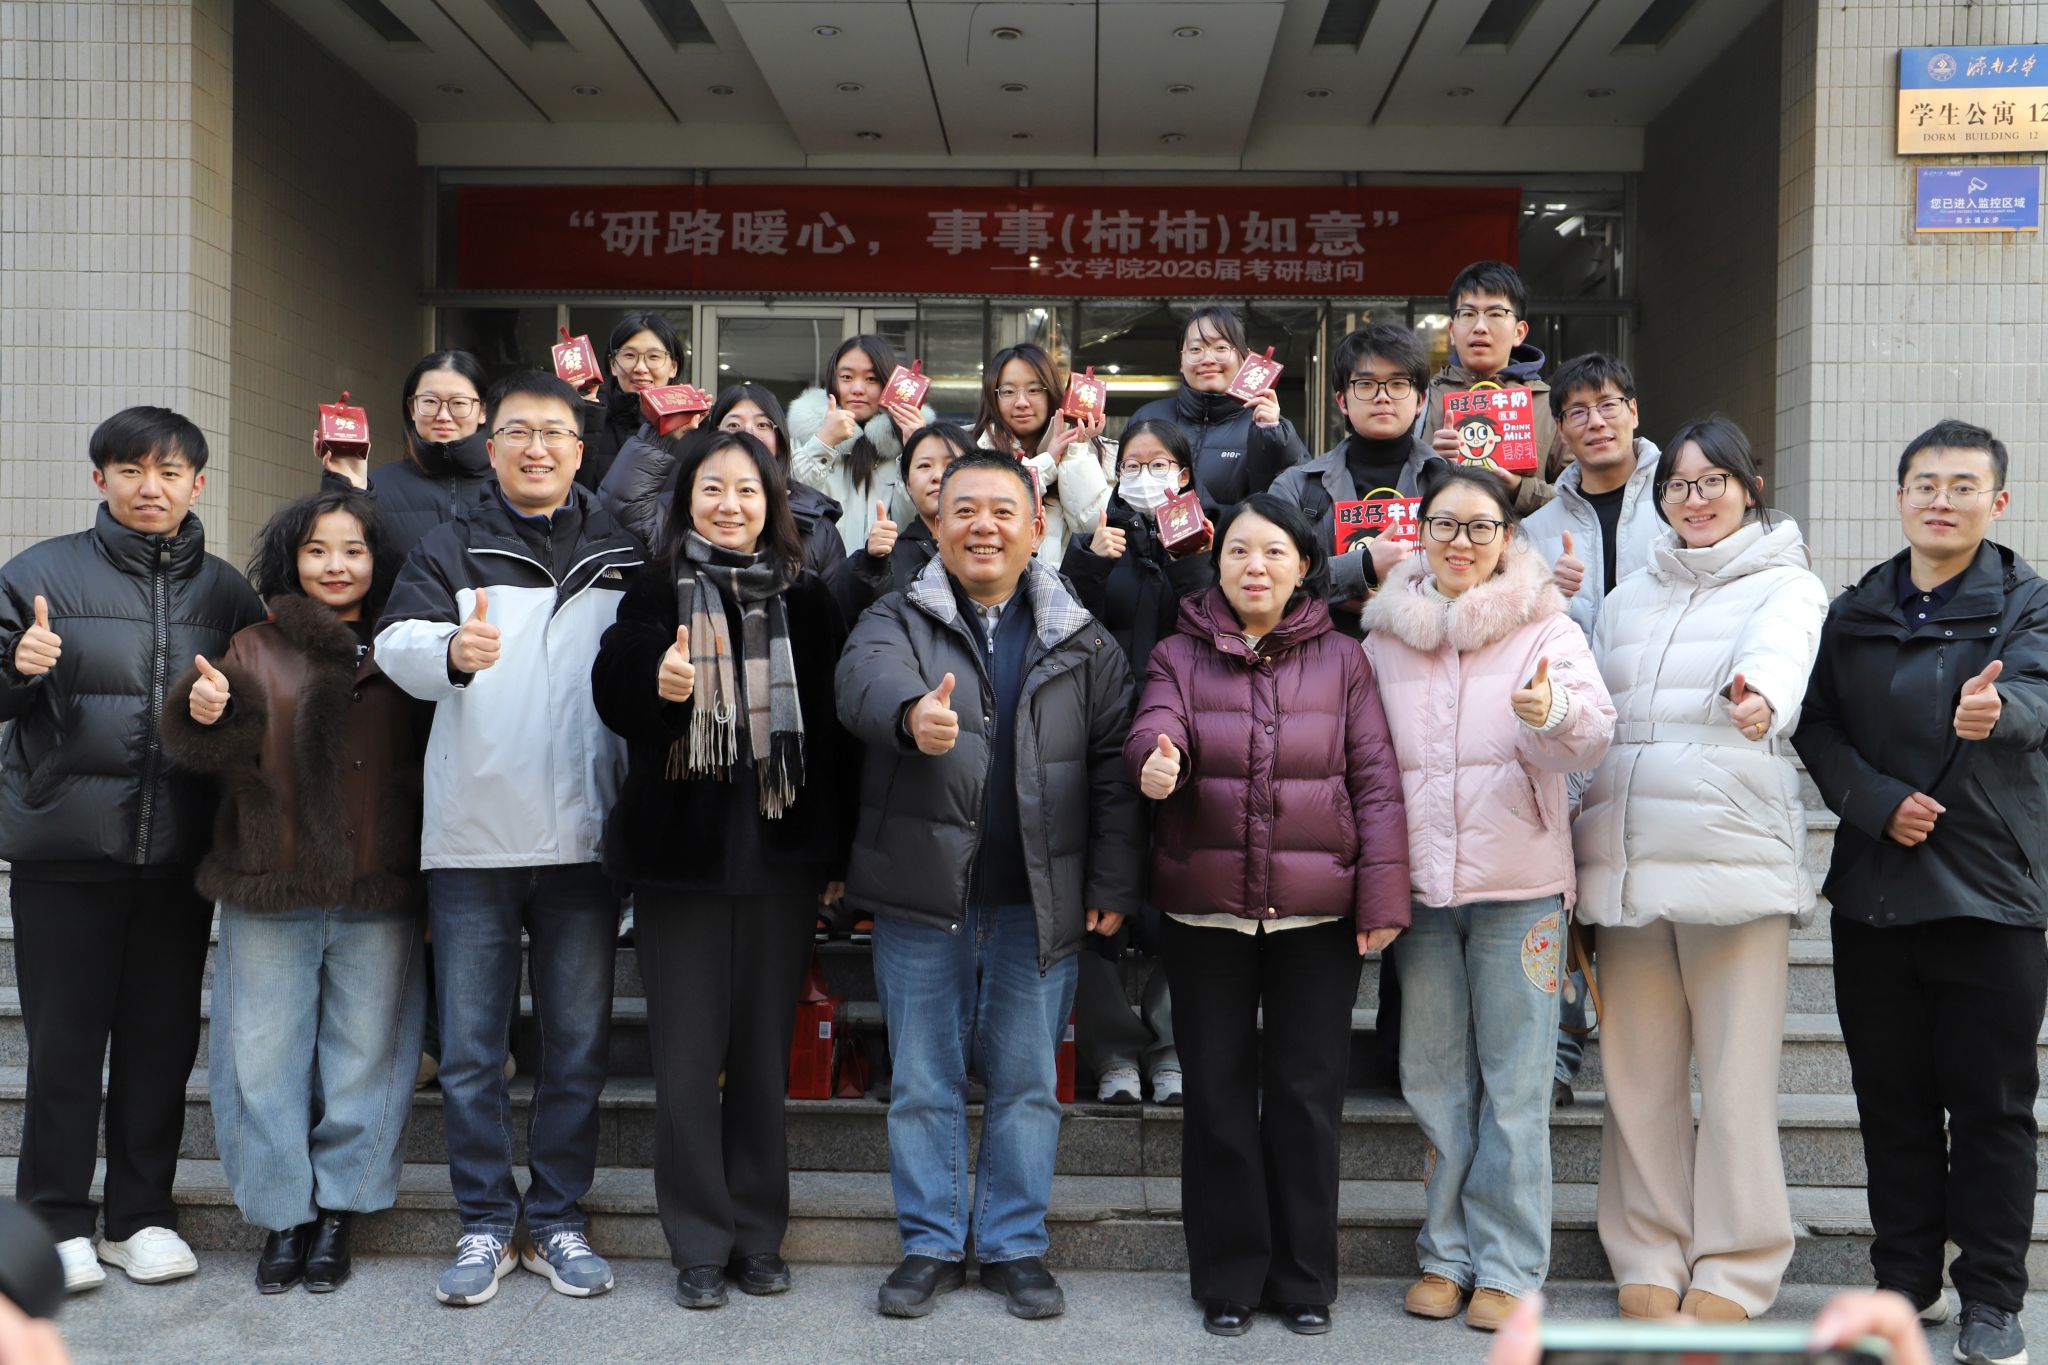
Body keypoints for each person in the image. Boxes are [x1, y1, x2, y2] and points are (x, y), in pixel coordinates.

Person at [835, 452, 1143, 1321]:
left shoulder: (1082, 637)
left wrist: (1112, 880)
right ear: (936, 524)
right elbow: (861, 681)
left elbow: (1114, 769)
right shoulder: (897, 615)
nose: (983, 526)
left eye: (1004, 510)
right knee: (922, 1079)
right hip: (921, 894)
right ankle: (931, 1241)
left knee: (1027, 1081)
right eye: (964, 508)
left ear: (1037, 526)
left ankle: (1013, 1243)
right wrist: (911, 714)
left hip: (1036, 900)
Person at [375, 371, 645, 1307]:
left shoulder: (622, 550)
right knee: (471, 1052)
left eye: (555, 433)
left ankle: (559, 1217)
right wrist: (448, 652)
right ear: (490, 449)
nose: (537, 448)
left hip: (585, 839)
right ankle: (487, 1222)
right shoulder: (450, 544)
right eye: (519, 432)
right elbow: (393, 645)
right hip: (476, 837)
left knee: (577, 1047)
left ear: (581, 449)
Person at [1793, 418, 2048, 1365]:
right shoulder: (1856, 608)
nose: (1942, 500)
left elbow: (2039, 696)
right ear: (1900, 496)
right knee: (1891, 1101)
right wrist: (1874, 802)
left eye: (1963, 485)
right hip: (1877, 891)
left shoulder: (2027, 605)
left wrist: (1998, 709)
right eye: (1926, 484)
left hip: (1990, 894)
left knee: (1991, 1109)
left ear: (1998, 501)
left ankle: (1992, 1299)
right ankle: (1905, 1282)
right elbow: (1816, 725)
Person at [1127, 494, 1408, 1337]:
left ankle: (1304, 1277)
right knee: (1215, 1096)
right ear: (1216, 564)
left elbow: (1375, 781)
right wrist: (1157, 762)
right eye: (1240, 550)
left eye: (1275, 551)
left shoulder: (1345, 660)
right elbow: (1155, 726)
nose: (1256, 565)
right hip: (1205, 913)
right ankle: (1228, 1275)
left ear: (1304, 566)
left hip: (1316, 918)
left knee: (1307, 1097)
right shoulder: (1177, 652)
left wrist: (1382, 896)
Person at [0, 407, 266, 1292]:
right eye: (130, 470)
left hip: (179, 855)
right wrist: (17, 667)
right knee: (64, 1045)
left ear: (198, 484)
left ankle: (140, 1215)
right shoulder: (37, 575)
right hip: (65, 849)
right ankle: (54, 1221)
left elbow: (256, 715)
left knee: (160, 1042)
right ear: (100, 479)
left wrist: (224, 712)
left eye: (169, 472)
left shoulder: (228, 594)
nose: (149, 487)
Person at [1571, 417, 1828, 1323]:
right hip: (1629, 860)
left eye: (1713, 480)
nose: (1696, 498)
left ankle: (1738, 1261)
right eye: (1679, 484)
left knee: (1735, 1080)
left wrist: (1760, 698)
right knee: (1636, 1078)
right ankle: (1646, 1247)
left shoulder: (1786, 581)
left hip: (1730, 857)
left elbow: (1779, 656)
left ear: (1749, 487)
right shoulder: (1629, 595)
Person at [593, 430, 854, 1311]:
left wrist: (833, 857)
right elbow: (613, 683)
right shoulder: (654, 588)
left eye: (748, 489)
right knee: (685, 1063)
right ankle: (699, 1243)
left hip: (781, 865)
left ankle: (758, 1234)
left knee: (760, 1063)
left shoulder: (808, 601)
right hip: (681, 867)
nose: (730, 504)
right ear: (686, 501)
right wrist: (659, 686)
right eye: (712, 488)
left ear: (773, 503)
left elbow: (833, 739)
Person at [159, 488, 432, 1296]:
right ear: (291, 559)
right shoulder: (254, 644)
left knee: (367, 1056)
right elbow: (210, 751)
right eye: (317, 549)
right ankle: (284, 1217)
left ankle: (341, 1211)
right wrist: (203, 711)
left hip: (378, 882)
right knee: (262, 1056)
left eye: (352, 549)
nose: (335, 565)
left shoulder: (409, 645)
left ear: (378, 560)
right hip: (270, 880)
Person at [1359, 466, 1613, 1332]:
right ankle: (1445, 1254)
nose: (1460, 541)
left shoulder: (1546, 624)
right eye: (1444, 524)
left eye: (1480, 526)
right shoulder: (1385, 633)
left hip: (1521, 887)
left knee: (1515, 1083)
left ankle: (1509, 1266)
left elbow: (1592, 733)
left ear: (1508, 538)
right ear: (1421, 532)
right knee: (1433, 1078)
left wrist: (1549, 712)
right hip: (1421, 892)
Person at [1521, 353, 1665, 1107]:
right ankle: (1559, 1049)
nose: (1595, 421)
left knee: (1641, 904)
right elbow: (1516, 633)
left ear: (1634, 411)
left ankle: (1645, 1057)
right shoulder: (1535, 528)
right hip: (1572, 739)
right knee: (1563, 897)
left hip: (1662, 733)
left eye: (1608, 404)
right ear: (1561, 431)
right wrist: (1551, 594)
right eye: (1576, 411)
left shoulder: (1682, 500)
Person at [1060, 418, 1215, 1104]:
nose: (1146, 476)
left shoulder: (1212, 534)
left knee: (1185, 896)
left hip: (1190, 737)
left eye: (1161, 465)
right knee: (1095, 894)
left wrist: (1191, 558)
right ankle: (1112, 1050)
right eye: (1133, 463)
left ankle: (1171, 1044)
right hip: (1099, 736)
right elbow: (1061, 623)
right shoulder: (1094, 530)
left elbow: (1217, 624)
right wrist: (1090, 560)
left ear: (1184, 473)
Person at [596, 383, 847, 609]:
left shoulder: (816, 526)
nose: (748, 434)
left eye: (762, 425)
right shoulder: (685, 510)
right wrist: (661, 435)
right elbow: (623, 506)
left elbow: (836, 615)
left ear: (780, 440)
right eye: (733, 425)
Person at [1269, 322, 1435, 637]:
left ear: (1420, 400)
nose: (1383, 396)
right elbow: (1272, 576)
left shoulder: (1452, 483)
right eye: (1366, 384)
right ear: (1342, 401)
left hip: (1426, 655)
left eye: (1398, 383)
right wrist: (1362, 567)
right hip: (1322, 657)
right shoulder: (1296, 487)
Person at [1419, 261, 1563, 516]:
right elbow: (1394, 494)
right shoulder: (1420, 401)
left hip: (1524, 541)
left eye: (1495, 314)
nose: (1480, 327)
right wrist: (1429, 463)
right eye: (1468, 314)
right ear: (1451, 330)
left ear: (1519, 332)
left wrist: (1520, 489)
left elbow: (1579, 502)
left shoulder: (1552, 406)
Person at [1128, 304, 1308, 507]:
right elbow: (1123, 496)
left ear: (1245, 358)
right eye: (1195, 349)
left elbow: (1296, 500)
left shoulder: (1271, 427)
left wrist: (1273, 436)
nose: (1207, 359)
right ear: (1181, 361)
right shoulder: (1147, 419)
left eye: (1221, 347)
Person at [321, 351, 496, 557]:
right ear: (412, 408)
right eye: (430, 401)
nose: (443, 415)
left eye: (458, 403)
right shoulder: (375, 487)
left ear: (483, 411)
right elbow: (337, 558)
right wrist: (344, 488)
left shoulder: (510, 486)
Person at [971, 343, 1114, 567]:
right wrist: (1048, 462)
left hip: (1070, 587)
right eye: (1008, 392)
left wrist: (1076, 452)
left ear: (1052, 392)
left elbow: (1093, 525)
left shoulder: (1096, 451)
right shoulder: (969, 450)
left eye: (1034, 390)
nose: (1021, 402)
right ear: (993, 397)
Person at [789, 334, 932, 554]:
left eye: (871, 379)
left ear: (889, 383)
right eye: (846, 377)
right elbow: (791, 503)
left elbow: (915, 519)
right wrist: (823, 441)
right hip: (818, 568)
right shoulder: (805, 435)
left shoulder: (905, 440)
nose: (857, 388)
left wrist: (916, 450)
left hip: (886, 570)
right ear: (832, 381)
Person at [848, 423, 971, 613]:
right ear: (907, 485)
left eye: (951, 464)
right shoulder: (884, 560)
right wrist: (872, 564)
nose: (938, 476)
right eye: (924, 466)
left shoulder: (999, 545)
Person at [573, 311, 684, 492]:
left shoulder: (693, 426)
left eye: (654, 357)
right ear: (613, 364)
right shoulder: (590, 417)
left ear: (673, 367)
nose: (640, 368)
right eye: (629, 356)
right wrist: (586, 417)